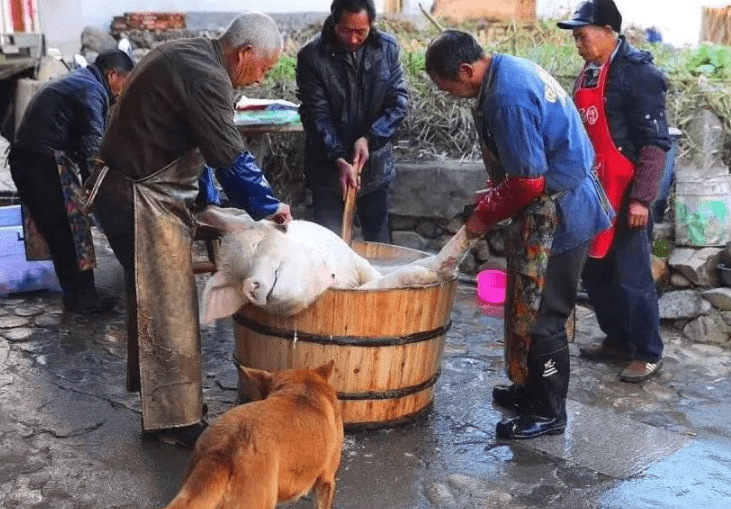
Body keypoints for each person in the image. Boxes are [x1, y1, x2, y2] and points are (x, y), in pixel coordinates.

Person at [90, 12, 293, 448]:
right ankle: (174, 421)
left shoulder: (192, 56)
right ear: (243, 54)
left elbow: (193, 140)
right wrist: (267, 204)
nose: (261, 79)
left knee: (158, 299)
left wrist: (208, 204)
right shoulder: (207, 75)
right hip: (138, 195)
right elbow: (228, 155)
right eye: (264, 69)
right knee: (168, 305)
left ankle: (160, 402)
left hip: (137, 187)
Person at [425, 30, 612, 439]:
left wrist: (481, 220)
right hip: (552, 201)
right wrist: (494, 194)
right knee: (523, 306)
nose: (449, 95)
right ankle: (529, 390)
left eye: (448, 87)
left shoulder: (506, 97)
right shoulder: (506, 69)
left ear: (465, 69)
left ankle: (548, 412)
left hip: (562, 213)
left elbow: (527, 182)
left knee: (545, 316)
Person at [558, 0, 670, 383]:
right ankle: (617, 339)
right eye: (575, 38)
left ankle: (648, 352)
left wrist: (642, 199)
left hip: (626, 192)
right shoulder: (589, 70)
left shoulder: (640, 74)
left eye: (582, 35)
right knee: (596, 271)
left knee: (633, 275)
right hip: (594, 189)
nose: (578, 44)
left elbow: (655, 145)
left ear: (608, 31)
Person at [9, 50, 134, 314]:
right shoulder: (92, 92)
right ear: (112, 75)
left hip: (28, 160)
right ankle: (85, 299)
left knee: (59, 233)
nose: (125, 91)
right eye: (126, 82)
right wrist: (108, 196)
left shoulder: (81, 80)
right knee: (71, 230)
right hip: (43, 162)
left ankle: (76, 296)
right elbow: (92, 151)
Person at [296, 0, 408, 243]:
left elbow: (398, 102)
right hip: (327, 168)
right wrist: (337, 157)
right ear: (334, 22)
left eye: (361, 32)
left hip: (375, 164)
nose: (354, 39)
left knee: (378, 244)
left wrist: (369, 138)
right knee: (329, 244)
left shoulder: (386, 48)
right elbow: (316, 115)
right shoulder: (312, 56)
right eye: (346, 30)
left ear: (371, 25)